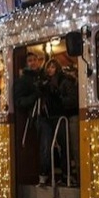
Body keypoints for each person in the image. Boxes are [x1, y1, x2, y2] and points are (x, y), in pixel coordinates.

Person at [40, 58, 79, 186]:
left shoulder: (64, 81)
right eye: (48, 67)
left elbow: (72, 99)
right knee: (49, 147)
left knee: (65, 147)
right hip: (50, 117)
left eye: (53, 67)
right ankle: (51, 175)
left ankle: (66, 174)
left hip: (62, 116)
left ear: (57, 68)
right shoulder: (45, 83)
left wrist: (59, 100)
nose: (50, 70)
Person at [14, 52, 48, 185]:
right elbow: (19, 101)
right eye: (30, 60)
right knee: (44, 144)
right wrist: (35, 96)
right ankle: (43, 174)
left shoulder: (44, 75)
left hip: (51, 114)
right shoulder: (23, 80)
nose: (33, 62)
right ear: (26, 63)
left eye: (35, 60)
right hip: (37, 116)